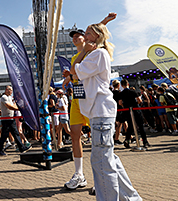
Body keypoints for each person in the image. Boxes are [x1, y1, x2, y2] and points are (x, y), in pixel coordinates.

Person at [71, 23, 142, 201]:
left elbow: (75, 71)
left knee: (101, 161)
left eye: (88, 33)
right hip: (100, 112)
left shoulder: (97, 54)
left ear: (96, 36)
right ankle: (131, 198)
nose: (85, 36)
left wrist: (81, 53)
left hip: (100, 112)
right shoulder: (97, 54)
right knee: (109, 158)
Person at [62, 13, 117, 191]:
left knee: (99, 138)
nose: (78, 36)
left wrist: (105, 21)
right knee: (75, 133)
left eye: (81, 34)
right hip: (78, 96)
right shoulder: (75, 57)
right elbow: (72, 75)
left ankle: (101, 181)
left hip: (94, 98)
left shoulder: (94, 53)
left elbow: (97, 32)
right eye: (75, 36)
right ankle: (79, 174)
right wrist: (66, 81)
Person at [0, 85, 31, 156]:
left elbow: (13, 105)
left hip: (11, 118)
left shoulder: (9, 97)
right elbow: (9, 106)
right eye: (10, 90)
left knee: (15, 133)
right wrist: (19, 109)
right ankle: (0, 150)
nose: (11, 92)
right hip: (6, 119)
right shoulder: (4, 97)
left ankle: (21, 147)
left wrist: (18, 107)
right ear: (6, 90)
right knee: (4, 135)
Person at [119, 79, 150, 148]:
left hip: (127, 110)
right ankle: (145, 141)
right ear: (128, 84)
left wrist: (125, 105)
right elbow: (139, 100)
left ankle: (127, 140)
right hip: (136, 109)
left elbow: (120, 103)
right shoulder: (133, 91)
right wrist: (136, 103)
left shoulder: (121, 93)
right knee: (140, 126)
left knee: (130, 126)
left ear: (121, 85)